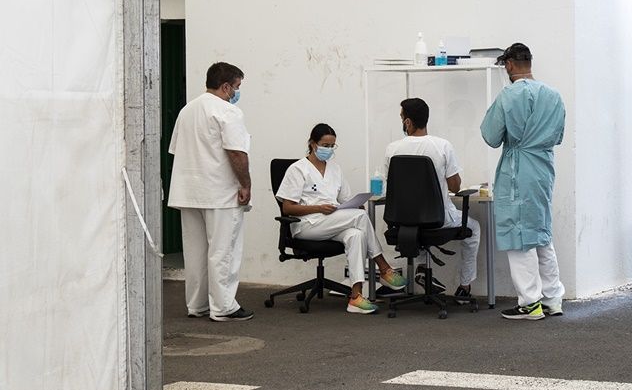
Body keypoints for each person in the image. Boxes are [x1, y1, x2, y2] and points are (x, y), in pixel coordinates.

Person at [276, 123, 407, 314]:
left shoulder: (335, 169)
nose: (328, 150)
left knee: (356, 235)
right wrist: (318, 208)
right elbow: (288, 208)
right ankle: (384, 268)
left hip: (331, 222)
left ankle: (355, 297)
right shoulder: (297, 169)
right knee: (360, 217)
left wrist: (355, 204)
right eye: (325, 145)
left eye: (332, 146)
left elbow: (345, 199)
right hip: (306, 225)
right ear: (312, 144)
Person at [481, 43, 566, 321]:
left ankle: (530, 302)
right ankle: (553, 298)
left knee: (519, 236)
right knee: (541, 232)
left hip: (517, 169)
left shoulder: (508, 95)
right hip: (542, 169)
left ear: (509, 65)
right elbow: (557, 136)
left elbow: (491, 136)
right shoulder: (554, 96)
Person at [167, 62, 254, 321]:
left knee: (194, 253)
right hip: (219, 192)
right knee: (223, 250)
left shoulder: (187, 110)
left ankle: (197, 304)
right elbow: (236, 152)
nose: (237, 92)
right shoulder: (228, 111)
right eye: (236, 87)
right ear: (226, 86)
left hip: (188, 190)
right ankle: (224, 306)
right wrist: (245, 184)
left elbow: (175, 150)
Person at [383, 98, 482, 299]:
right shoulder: (442, 146)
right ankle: (465, 286)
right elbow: (455, 186)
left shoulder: (392, 149)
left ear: (408, 122)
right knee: (474, 229)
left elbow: (390, 187)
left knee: (416, 224)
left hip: (403, 221)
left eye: (402, 118)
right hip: (438, 219)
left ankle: (421, 267)